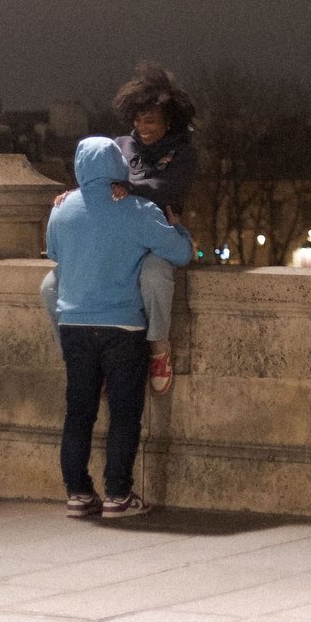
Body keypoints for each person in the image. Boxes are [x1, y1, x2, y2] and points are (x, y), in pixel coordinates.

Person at [45, 134, 193, 520]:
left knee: (78, 412)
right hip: (122, 325)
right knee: (125, 414)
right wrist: (178, 228)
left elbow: (56, 255)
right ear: (118, 166)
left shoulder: (60, 210)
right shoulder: (135, 208)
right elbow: (180, 254)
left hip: (74, 324)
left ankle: (77, 492)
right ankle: (118, 493)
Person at [108, 63, 199, 394]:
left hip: (160, 232)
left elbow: (168, 189)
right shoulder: (121, 145)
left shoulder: (184, 154)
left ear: (168, 122)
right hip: (122, 233)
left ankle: (159, 349)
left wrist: (131, 187)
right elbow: (98, 181)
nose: (141, 127)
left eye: (150, 121)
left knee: (154, 275)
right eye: (138, 119)